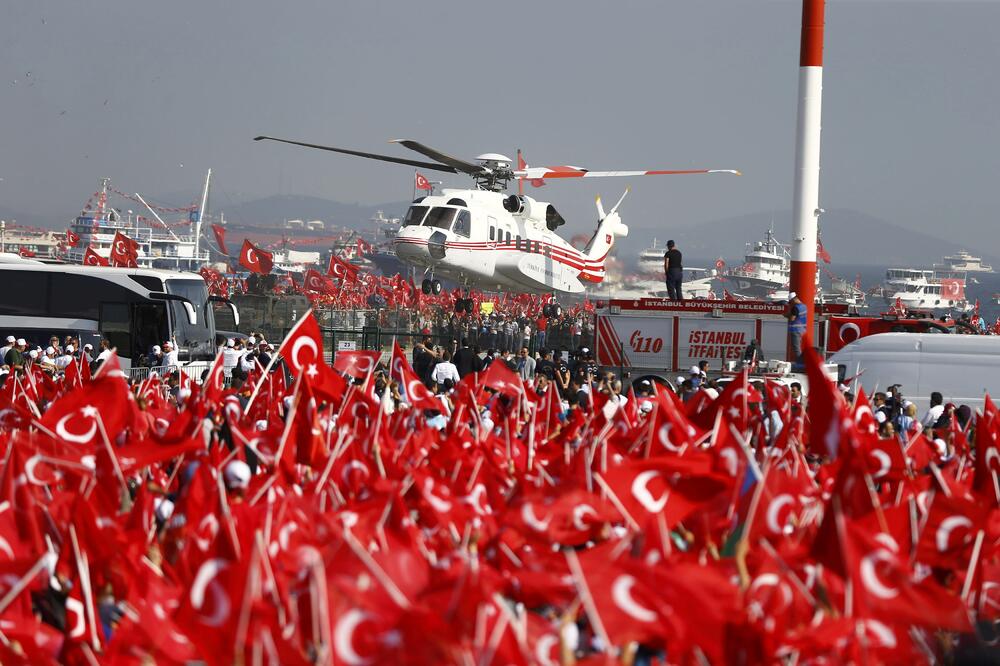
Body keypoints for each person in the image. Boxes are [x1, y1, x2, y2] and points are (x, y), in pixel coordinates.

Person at [784, 292, 807, 362]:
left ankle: (801, 364)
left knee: (796, 349)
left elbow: (792, 318)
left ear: (793, 300)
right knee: (799, 347)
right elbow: (798, 316)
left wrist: (786, 315)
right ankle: (801, 362)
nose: (791, 304)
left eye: (791, 302)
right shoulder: (804, 306)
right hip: (802, 330)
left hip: (795, 330)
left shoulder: (795, 308)